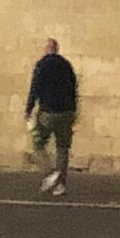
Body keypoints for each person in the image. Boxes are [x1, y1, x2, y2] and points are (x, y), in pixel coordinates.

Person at [25, 34, 79, 193]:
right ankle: (61, 184)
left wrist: (28, 109)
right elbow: (74, 88)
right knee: (63, 147)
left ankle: (50, 172)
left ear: (47, 49)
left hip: (48, 112)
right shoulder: (67, 65)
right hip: (67, 112)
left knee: (39, 143)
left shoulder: (42, 65)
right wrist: (74, 110)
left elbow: (35, 88)